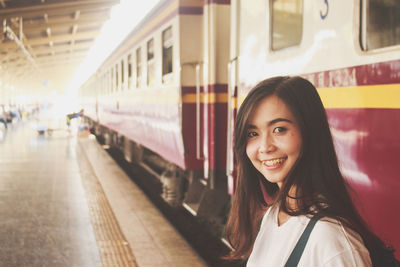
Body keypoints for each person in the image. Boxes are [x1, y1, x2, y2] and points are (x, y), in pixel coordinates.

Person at [224, 76, 398, 266]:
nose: (264, 147)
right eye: (253, 134)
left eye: (279, 129)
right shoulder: (276, 214)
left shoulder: (333, 243)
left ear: (310, 132)